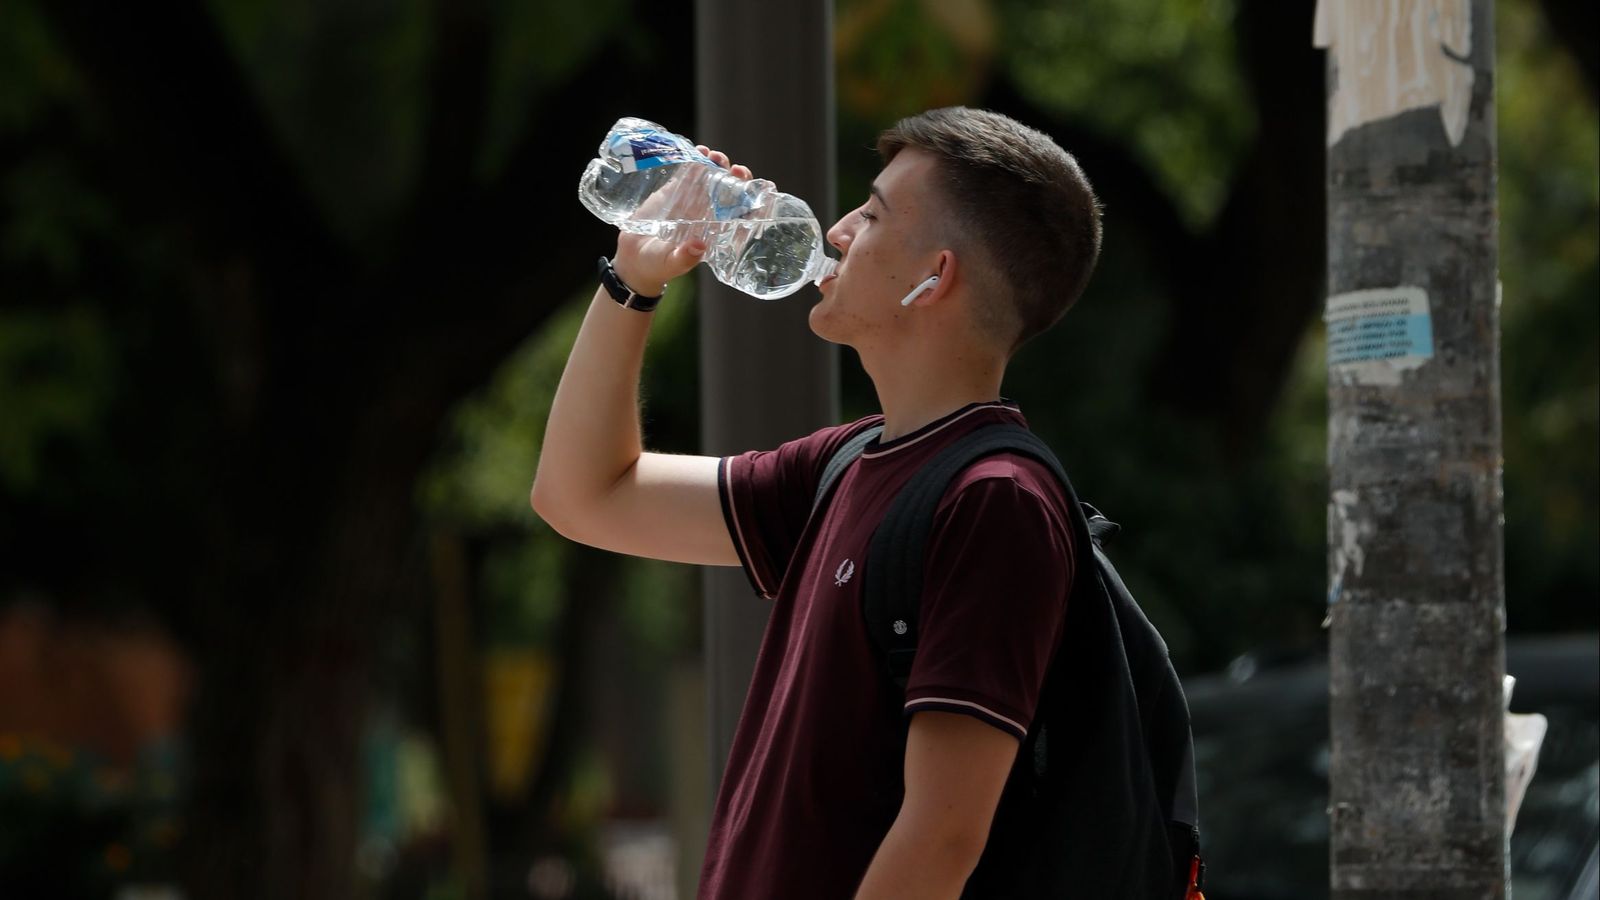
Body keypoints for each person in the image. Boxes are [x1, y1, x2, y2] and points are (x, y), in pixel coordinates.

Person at [531, 106, 1102, 899]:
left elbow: (942, 836)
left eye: (870, 215)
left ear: (935, 277)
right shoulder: (841, 466)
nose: (834, 230)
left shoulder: (994, 501)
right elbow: (582, 496)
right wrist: (633, 283)